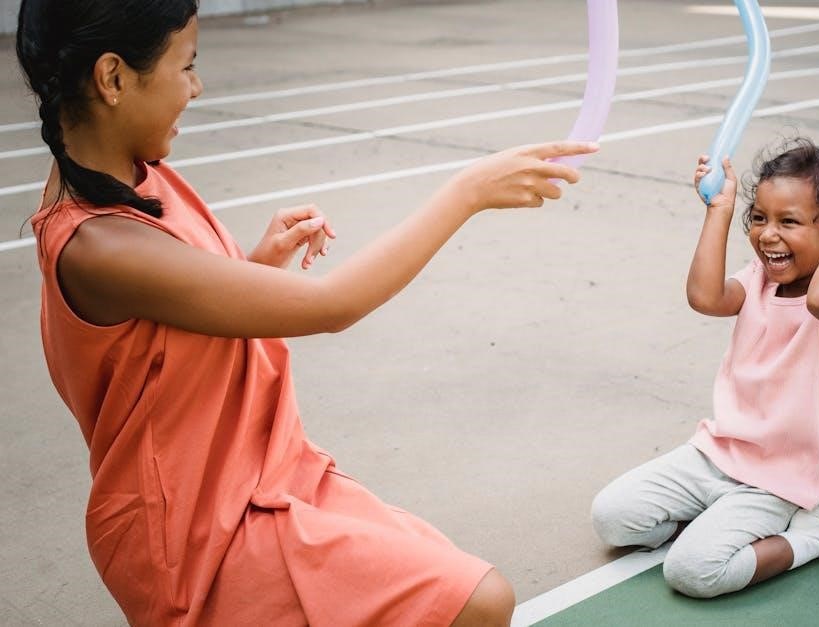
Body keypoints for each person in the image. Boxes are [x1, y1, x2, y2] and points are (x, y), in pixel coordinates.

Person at [17, 1, 599, 625]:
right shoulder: (100, 245)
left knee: (457, 588)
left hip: (262, 472)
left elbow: (158, 338)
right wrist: (468, 192)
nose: (197, 87)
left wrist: (253, 267)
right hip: (197, 532)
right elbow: (333, 305)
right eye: (186, 66)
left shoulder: (129, 177)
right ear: (113, 77)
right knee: (479, 600)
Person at [591, 137, 819, 598]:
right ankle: (715, 517)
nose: (768, 234)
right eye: (759, 217)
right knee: (612, 518)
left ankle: (813, 535)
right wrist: (718, 210)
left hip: (777, 480)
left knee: (693, 572)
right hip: (716, 454)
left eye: (788, 221)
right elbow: (706, 298)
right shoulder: (759, 279)